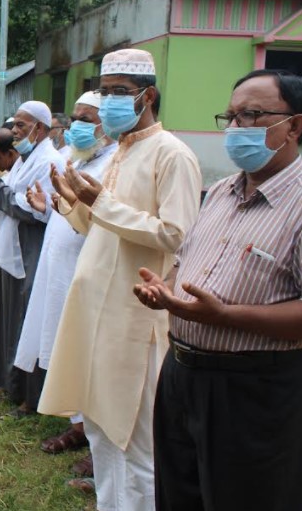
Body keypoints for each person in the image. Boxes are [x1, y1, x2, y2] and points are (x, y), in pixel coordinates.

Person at [38, 48, 202, 510]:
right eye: (104, 91)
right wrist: (74, 205)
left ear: (146, 95)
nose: (108, 101)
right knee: (100, 431)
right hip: (95, 310)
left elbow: (176, 235)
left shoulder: (172, 155)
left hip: (134, 319)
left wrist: (102, 205)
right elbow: (105, 228)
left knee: (136, 441)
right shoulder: (121, 152)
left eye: (117, 93)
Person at [134, 69, 302, 511]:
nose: (235, 129)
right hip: (182, 374)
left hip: (253, 387)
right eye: (229, 117)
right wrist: (167, 291)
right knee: (178, 493)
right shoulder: (223, 191)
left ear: (295, 126)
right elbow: (186, 260)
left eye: (252, 116)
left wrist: (226, 317)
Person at [15, 91, 117, 454]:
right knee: (62, 344)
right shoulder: (77, 158)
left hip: (85, 267)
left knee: (85, 351)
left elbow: (105, 217)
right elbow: (64, 211)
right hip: (57, 263)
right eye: (74, 118)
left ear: (107, 125)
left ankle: (95, 439)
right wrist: (48, 206)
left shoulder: (113, 163)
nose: (76, 126)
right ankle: (77, 424)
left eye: (86, 119)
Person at [0, 101, 66, 409]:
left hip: (31, 245)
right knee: (6, 314)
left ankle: (28, 397)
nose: (14, 130)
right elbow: (11, 194)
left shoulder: (49, 161)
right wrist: (1, 192)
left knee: (25, 318)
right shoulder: (23, 160)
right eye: (14, 125)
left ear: (39, 128)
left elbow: (34, 210)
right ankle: (8, 385)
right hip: (11, 243)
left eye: (20, 125)